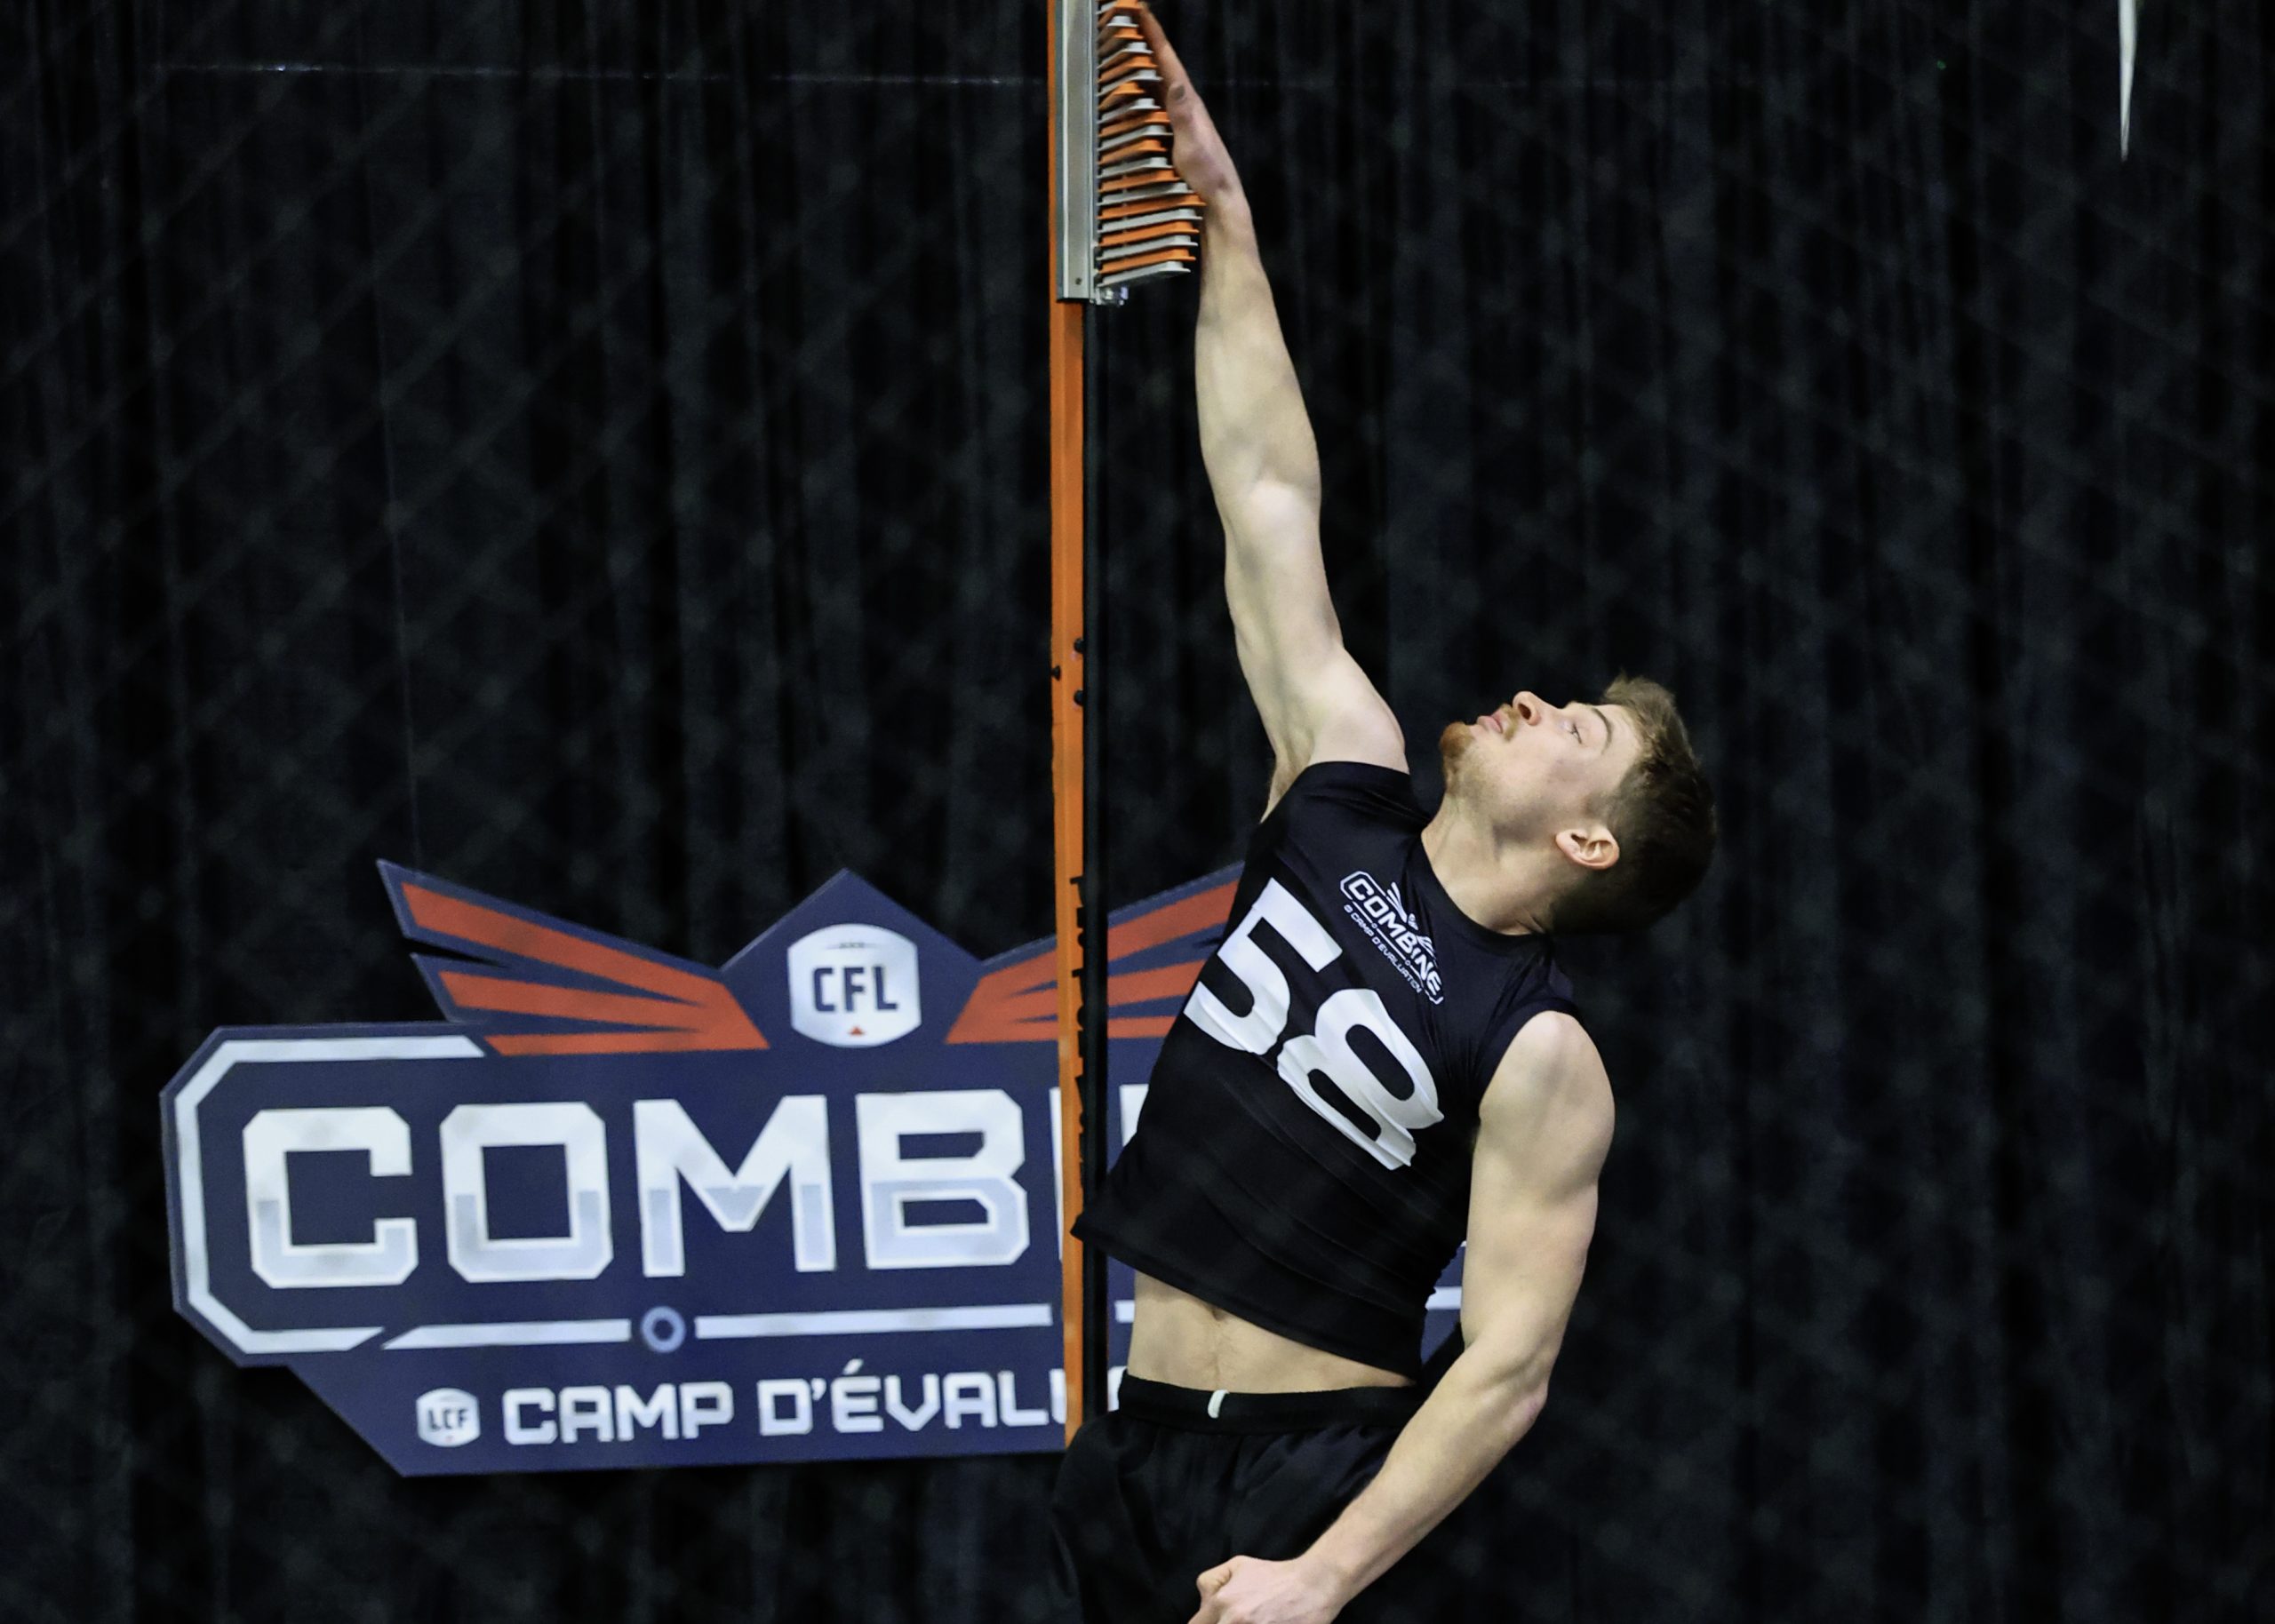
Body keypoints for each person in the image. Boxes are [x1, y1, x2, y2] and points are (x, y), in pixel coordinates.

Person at [1047, 8, 1719, 1624]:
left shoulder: (1540, 1050)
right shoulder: (1339, 782)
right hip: (1133, 1445)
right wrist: (1228, 222)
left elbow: (1507, 1368)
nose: (1537, 699)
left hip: (1306, 1475)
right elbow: (1268, 487)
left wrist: (1320, 1579)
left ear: (1589, 844)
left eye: (1584, 733)